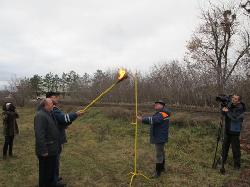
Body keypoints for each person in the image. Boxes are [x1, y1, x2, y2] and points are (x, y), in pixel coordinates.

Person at [45, 91, 84, 185]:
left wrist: (67, 121)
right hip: (54, 139)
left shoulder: (52, 109)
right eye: (56, 97)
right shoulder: (53, 109)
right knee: (54, 161)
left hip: (55, 138)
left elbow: (62, 121)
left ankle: (55, 177)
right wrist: (76, 114)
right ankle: (54, 181)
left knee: (56, 160)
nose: (58, 99)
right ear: (50, 98)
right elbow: (63, 118)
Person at [137, 100, 171, 178]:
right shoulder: (161, 113)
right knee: (161, 152)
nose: (155, 105)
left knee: (159, 154)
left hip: (160, 136)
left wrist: (142, 119)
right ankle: (162, 169)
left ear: (162, 105)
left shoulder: (163, 113)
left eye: (157, 104)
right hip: (161, 136)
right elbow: (154, 118)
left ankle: (158, 173)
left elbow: (155, 120)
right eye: (155, 104)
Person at [34, 98, 63, 187]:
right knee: (45, 172)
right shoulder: (40, 115)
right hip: (47, 150)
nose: (53, 105)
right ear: (45, 105)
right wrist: (43, 150)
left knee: (51, 171)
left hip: (52, 149)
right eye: (51, 104)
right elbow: (39, 134)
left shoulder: (49, 113)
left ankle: (52, 184)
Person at [222, 94, 246, 170]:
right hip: (227, 129)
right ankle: (223, 161)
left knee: (235, 149)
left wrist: (227, 111)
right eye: (233, 98)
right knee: (224, 147)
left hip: (234, 131)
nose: (233, 99)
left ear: (239, 101)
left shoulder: (240, 108)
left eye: (235, 99)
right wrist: (223, 107)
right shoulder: (229, 105)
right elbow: (224, 113)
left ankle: (237, 166)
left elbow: (234, 117)